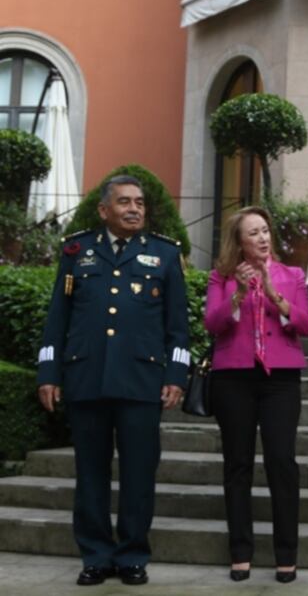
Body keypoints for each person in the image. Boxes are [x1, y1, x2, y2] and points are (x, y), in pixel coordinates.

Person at [36, 174, 190, 587]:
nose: (134, 209)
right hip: (86, 377)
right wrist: (49, 372)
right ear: (104, 210)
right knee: (90, 473)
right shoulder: (77, 251)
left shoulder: (164, 255)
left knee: (139, 473)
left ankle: (133, 555)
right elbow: (57, 320)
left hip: (142, 380)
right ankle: (96, 556)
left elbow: (179, 326)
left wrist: (176, 374)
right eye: (124, 202)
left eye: (139, 202)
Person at [203, 206, 308, 583]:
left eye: (265, 231)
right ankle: (240, 552)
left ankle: (287, 554)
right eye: (253, 233)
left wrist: (274, 295)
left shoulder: (292, 274)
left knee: (281, 462)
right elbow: (213, 324)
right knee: (237, 464)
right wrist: (236, 295)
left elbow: (306, 324)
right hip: (233, 378)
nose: (263, 238)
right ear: (239, 241)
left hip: (280, 380)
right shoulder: (221, 277)